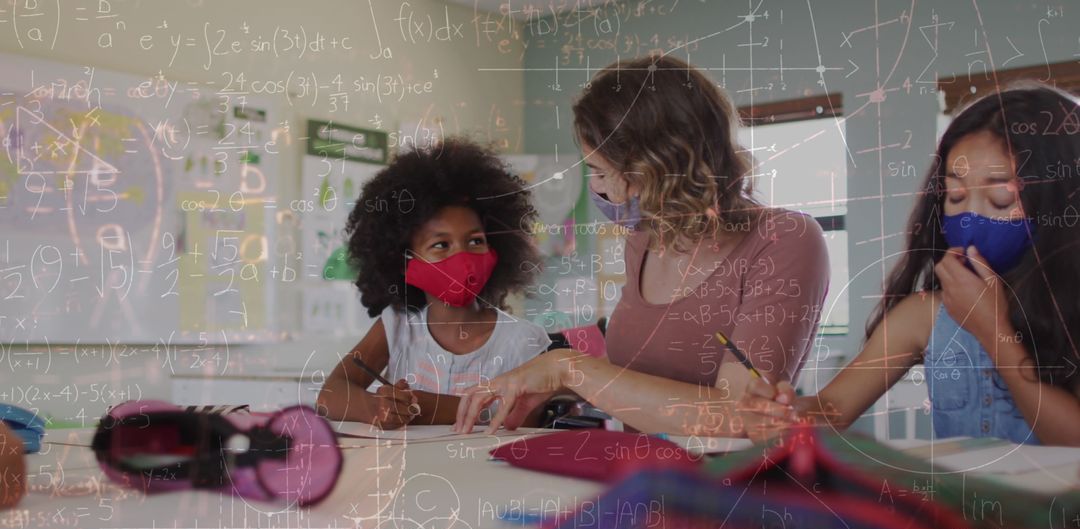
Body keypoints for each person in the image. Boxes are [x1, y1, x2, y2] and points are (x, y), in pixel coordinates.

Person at [453, 55, 830, 437]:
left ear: (660, 165)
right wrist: (548, 381)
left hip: (729, 490)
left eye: (601, 171)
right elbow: (639, 377)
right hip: (645, 483)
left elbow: (739, 417)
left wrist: (569, 368)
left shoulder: (785, 241)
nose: (597, 189)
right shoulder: (644, 240)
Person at [747, 86, 1080, 446]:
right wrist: (785, 414)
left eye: (1001, 199)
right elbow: (832, 406)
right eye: (955, 196)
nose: (970, 216)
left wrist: (994, 331)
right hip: (963, 504)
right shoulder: (928, 314)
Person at [316, 138, 549, 428]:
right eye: (441, 245)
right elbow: (329, 395)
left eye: (475, 241)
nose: (462, 257)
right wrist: (376, 407)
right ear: (403, 261)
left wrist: (427, 408)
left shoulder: (523, 342)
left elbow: (524, 418)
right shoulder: (398, 327)